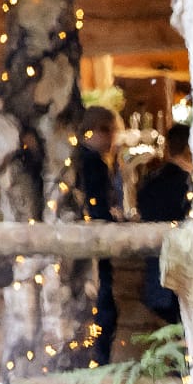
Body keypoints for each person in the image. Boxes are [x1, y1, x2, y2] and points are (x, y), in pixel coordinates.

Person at [73, 106, 120, 365]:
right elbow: (97, 208)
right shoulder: (93, 163)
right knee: (103, 313)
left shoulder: (77, 159)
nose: (113, 138)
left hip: (80, 247)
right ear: (96, 131)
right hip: (93, 247)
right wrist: (115, 222)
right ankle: (99, 367)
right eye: (110, 131)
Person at [136, 122, 193, 325]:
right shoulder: (190, 184)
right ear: (190, 149)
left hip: (155, 276)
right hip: (184, 275)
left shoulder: (151, 180)